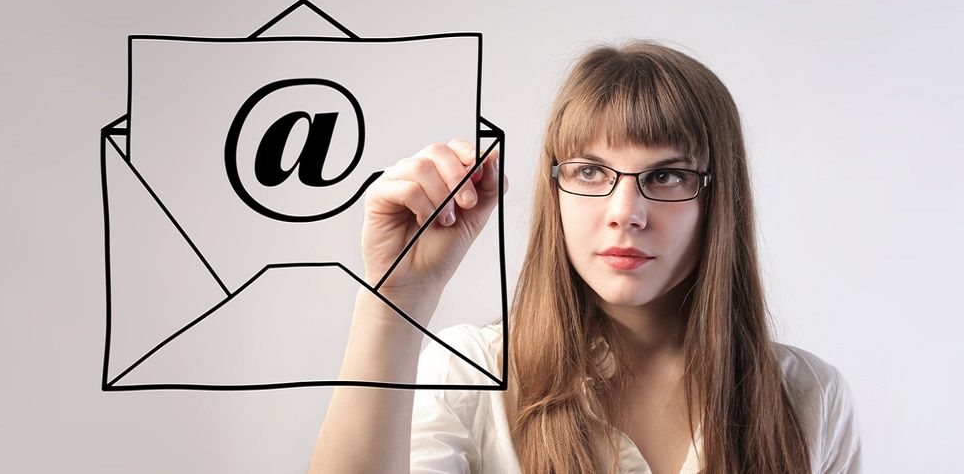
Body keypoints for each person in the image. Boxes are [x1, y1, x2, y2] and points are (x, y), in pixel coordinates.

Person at [310, 41, 862, 474]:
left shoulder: (809, 397)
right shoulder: (469, 376)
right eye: (590, 171)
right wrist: (397, 299)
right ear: (556, 189)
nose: (626, 212)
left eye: (666, 175)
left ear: (720, 199)